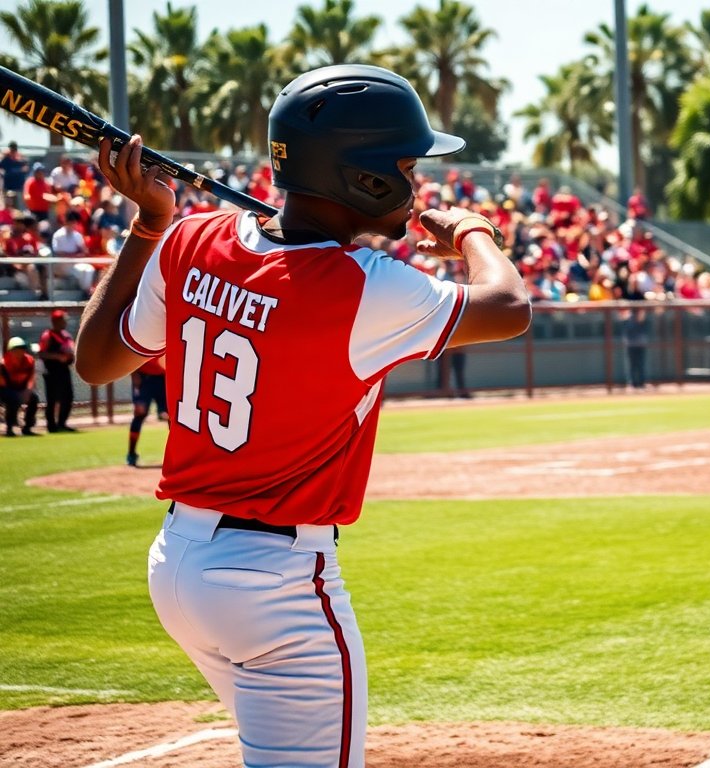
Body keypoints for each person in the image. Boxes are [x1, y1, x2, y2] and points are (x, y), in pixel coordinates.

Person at [74, 64, 531, 768]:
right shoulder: (361, 287)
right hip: (277, 585)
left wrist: (148, 226)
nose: (417, 181)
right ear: (365, 179)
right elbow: (509, 308)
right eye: (407, 165)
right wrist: (473, 232)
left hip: (177, 570)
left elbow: (97, 360)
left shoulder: (194, 241)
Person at [37, 309, 76, 432]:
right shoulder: (47, 335)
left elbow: (71, 349)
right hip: (51, 370)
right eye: (62, 320)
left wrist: (71, 356)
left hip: (64, 370)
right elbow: (42, 354)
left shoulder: (66, 336)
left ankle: (62, 423)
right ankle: (51, 425)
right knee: (52, 398)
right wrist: (58, 357)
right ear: (55, 322)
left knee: (68, 397)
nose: (64, 323)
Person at [127, 356, 168, 466]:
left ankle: (176, 454)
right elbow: (132, 354)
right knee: (140, 413)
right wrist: (134, 374)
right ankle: (131, 454)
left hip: (163, 378)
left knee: (171, 416)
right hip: (144, 377)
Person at [1, 336, 40, 436]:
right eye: (17, 349)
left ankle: (27, 427)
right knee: (12, 398)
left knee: (34, 398)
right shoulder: (3, 363)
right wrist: (17, 394)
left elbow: (32, 378)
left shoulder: (29, 361)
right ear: (11, 351)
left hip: (21, 388)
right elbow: (2, 384)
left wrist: (27, 391)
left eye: (22, 348)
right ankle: (10, 428)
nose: (20, 351)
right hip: (4, 389)